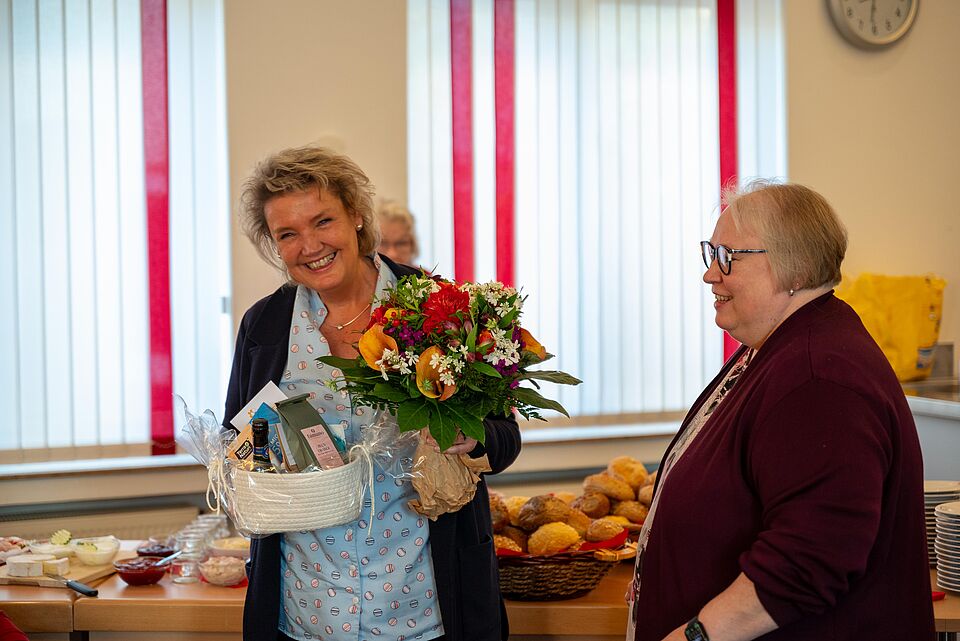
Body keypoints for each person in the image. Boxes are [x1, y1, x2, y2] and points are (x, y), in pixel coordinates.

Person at [225, 145, 521, 641]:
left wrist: (468, 440)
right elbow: (241, 444)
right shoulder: (266, 325)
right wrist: (262, 472)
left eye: (323, 221)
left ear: (357, 216)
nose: (310, 245)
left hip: (425, 608)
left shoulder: (434, 307)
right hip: (307, 611)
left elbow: (504, 437)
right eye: (288, 234)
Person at [627, 181, 934, 641]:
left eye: (727, 257)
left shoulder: (819, 377)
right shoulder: (779, 346)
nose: (710, 274)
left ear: (794, 269)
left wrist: (696, 636)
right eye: (710, 254)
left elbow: (811, 556)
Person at [376, 199, 419, 267]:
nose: (392, 254)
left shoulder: (426, 277)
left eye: (401, 243)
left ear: (413, 246)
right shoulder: (361, 277)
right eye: (383, 243)